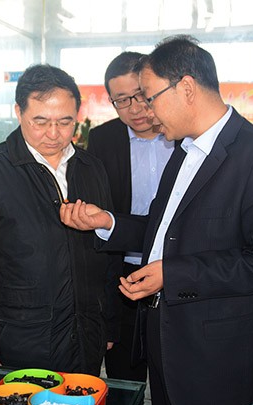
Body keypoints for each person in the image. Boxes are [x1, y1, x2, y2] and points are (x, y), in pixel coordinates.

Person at [60, 35, 253, 405]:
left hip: (214, 351)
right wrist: (108, 221)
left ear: (186, 88)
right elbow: (163, 230)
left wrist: (172, 274)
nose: (147, 111)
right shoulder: (184, 152)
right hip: (167, 337)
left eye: (150, 98)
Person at [0, 64, 119, 375]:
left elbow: (107, 255)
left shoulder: (91, 168)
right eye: (40, 121)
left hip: (85, 337)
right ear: (19, 112)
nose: (53, 134)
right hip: (17, 343)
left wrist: (108, 322)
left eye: (65, 122)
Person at [88, 51, 174, 383]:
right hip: (123, 273)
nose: (135, 108)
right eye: (121, 100)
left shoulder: (183, 135)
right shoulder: (103, 140)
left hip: (176, 270)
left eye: (140, 95)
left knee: (175, 377)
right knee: (124, 377)